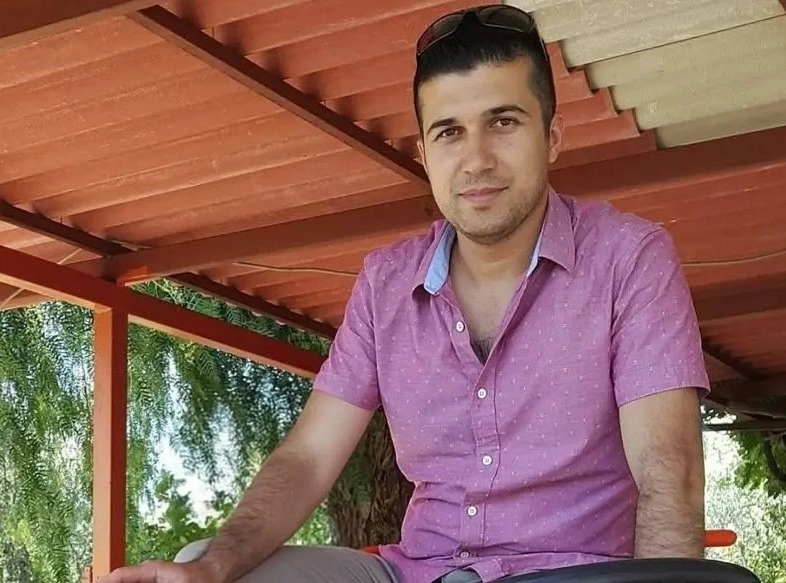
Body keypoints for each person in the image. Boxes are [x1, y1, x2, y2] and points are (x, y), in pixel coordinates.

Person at [102, 4, 709, 582]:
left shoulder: (628, 257)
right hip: (416, 571)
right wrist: (215, 565)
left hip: (570, 574)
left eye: (503, 122)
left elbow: (669, 470)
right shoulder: (386, 282)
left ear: (551, 137)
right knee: (209, 567)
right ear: (423, 154)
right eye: (449, 132)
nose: (476, 160)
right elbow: (309, 458)